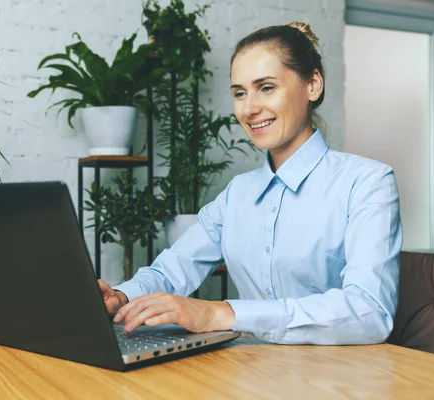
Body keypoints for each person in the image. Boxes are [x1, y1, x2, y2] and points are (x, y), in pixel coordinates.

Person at [98, 22, 403, 345]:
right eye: (240, 93)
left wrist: (222, 313)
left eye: (266, 88)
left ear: (313, 84)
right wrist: (121, 296)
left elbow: (370, 311)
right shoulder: (237, 195)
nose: (249, 108)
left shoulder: (368, 182)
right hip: (249, 371)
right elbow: (171, 271)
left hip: (338, 381)